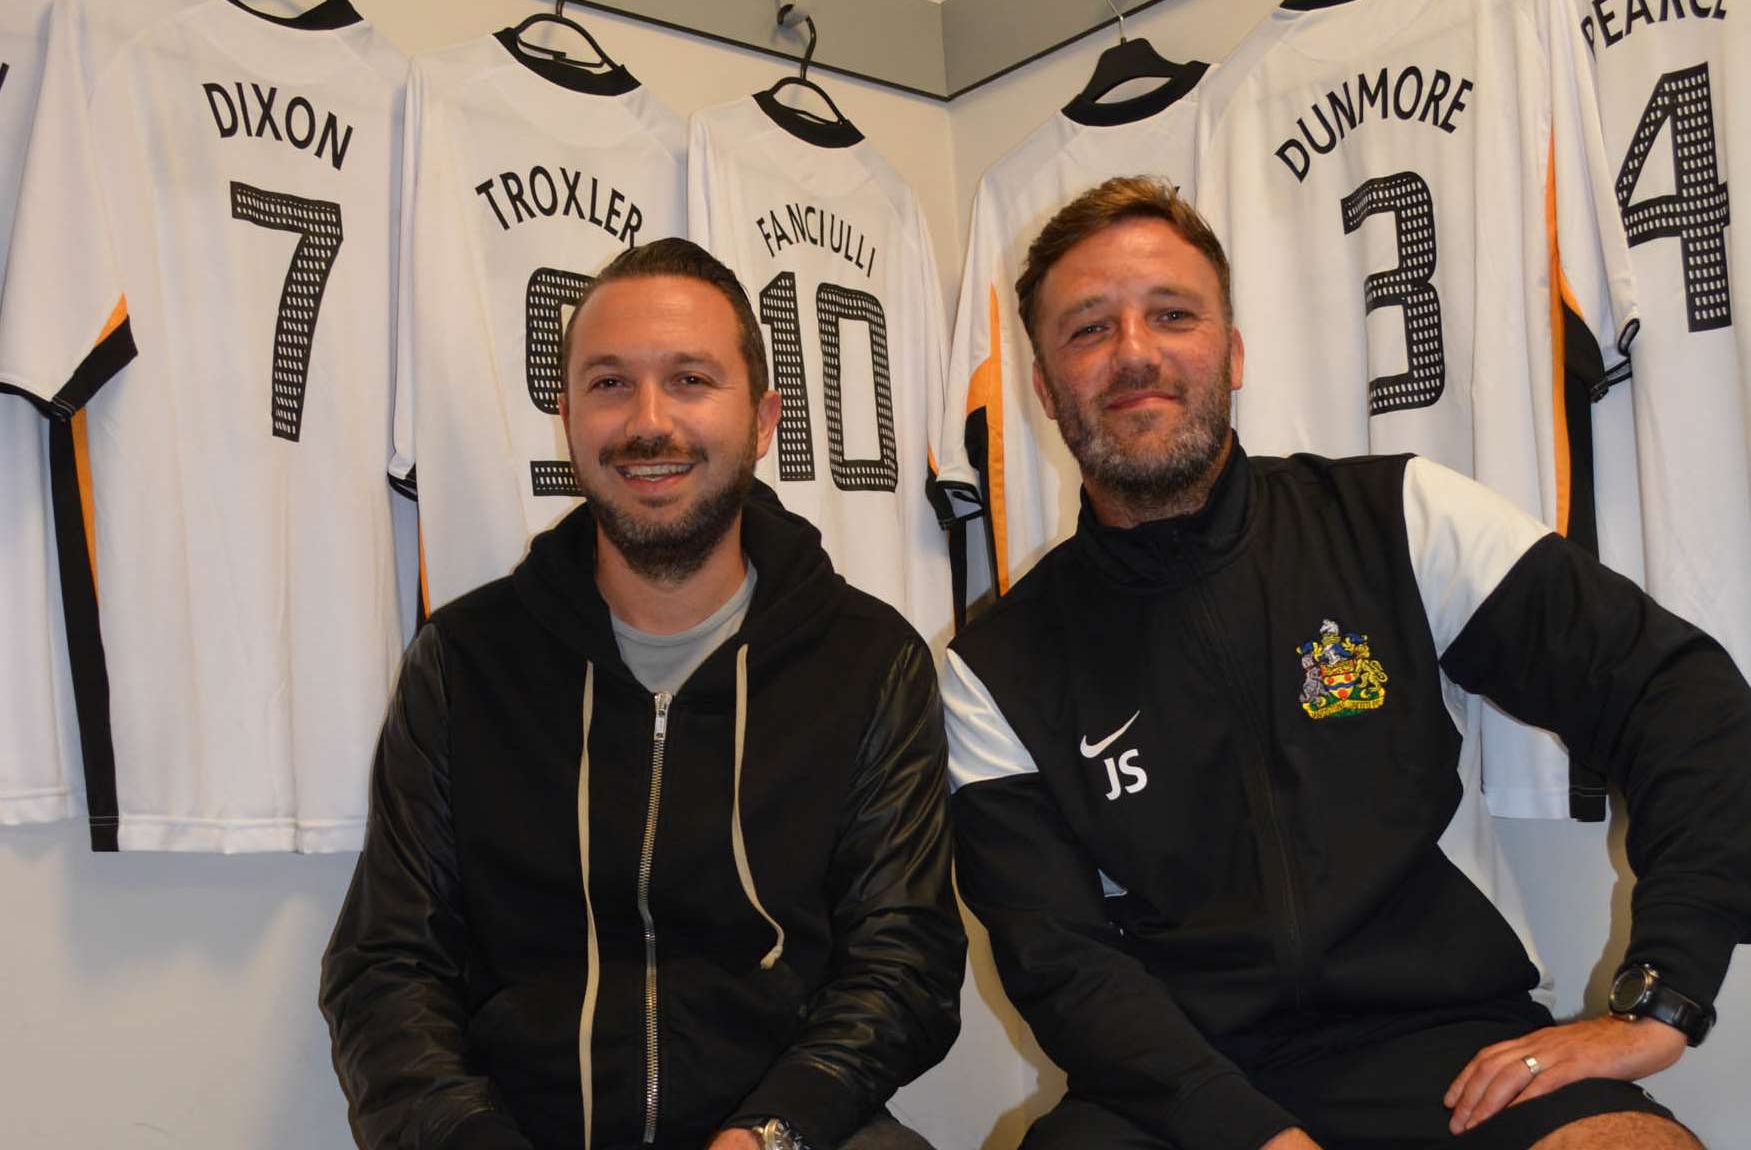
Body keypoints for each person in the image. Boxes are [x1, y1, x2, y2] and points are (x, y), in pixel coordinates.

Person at [943, 177, 1751, 1150]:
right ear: (1041, 386)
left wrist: (1661, 996)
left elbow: (1676, 692)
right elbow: (1059, 962)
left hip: (1451, 1048)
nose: (1134, 353)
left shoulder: (1393, 520)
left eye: (1171, 314)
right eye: (1087, 329)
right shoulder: (993, 667)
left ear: (1231, 350)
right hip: (1171, 1089)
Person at [320, 238, 965, 1150]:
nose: (646, 421)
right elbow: (384, 965)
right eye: (609, 383)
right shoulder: (464, 661)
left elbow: (906, 961)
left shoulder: (868, 662)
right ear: (568, 415)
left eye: (691, 380)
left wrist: (771, 1134)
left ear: (764, 416)